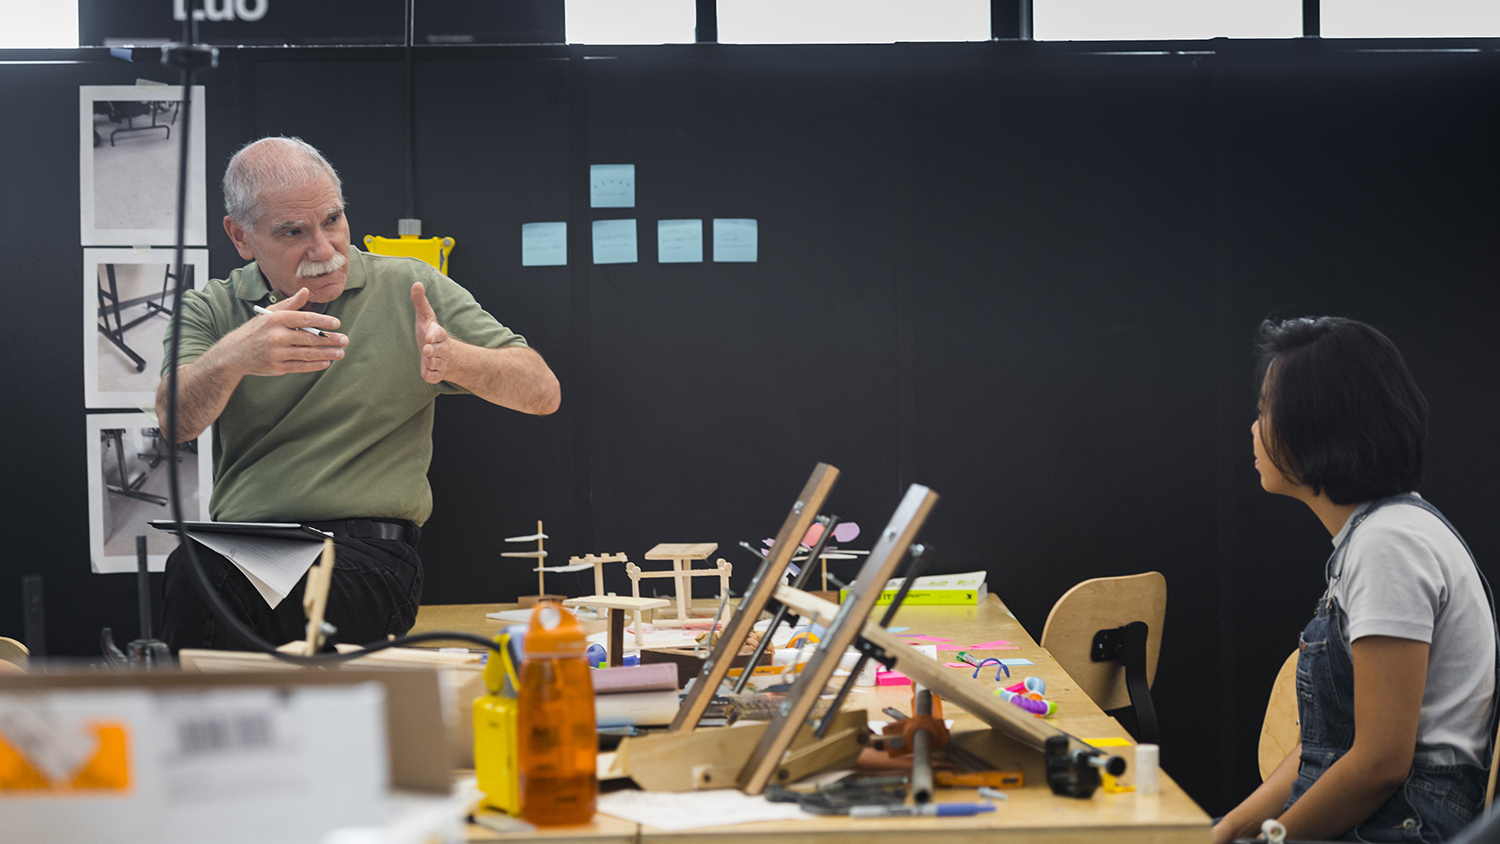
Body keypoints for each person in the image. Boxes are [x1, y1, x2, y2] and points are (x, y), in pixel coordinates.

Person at [156, 136, 560, 652]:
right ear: (241, 237)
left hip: (366, 555)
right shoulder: (211, 309)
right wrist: (234, 357)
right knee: (199, 572)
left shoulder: (406, 286)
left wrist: (455, 358)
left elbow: (542, 391)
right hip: (244, 551)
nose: (323, 251)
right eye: (292, 232)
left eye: (332, 220)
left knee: (203, 581)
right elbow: (177, 421)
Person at [1213, 317, 1497, 843]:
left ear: (1315, 426)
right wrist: (1227, 831)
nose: (1253, 429)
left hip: (1403, 823)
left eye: (1263, 413)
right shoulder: (1379, 533)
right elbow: (1324, 746)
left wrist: (1268, 842)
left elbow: (1379, 764)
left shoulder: (1390, 545)